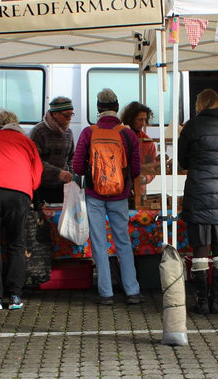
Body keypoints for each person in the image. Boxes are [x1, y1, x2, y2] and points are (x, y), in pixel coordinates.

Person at [73, 88, 145, 306]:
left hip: (95, 195)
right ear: (116, 107)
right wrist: (121, 183)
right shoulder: (127, 134)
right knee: (123, 241)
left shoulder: (89, 132)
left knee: (99, 242)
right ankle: (132, 290)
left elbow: (77, 166)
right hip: (120, 195)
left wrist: (94, 177)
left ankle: (106, 293)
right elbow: (136, 169)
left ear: (98, 109)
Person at [177, 89, 218, 315]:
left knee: (200, 246)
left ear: (200, 104)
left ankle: (202, 300)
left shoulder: (192, 126)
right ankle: (216, 299)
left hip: (199, 189)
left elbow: (183, 160)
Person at [0, 110, 42, 311]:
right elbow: (37, 172)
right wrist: (29, 192)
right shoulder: (25, 141)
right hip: (19, 193)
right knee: (16, 244)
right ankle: (14, 295)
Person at [29, 96, 75, 204]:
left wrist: (71, 173)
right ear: (55, 114)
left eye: (71, 114)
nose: (70, 118)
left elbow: (71, 157)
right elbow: (35, 161)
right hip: (42, 186)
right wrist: (58, 173)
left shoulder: (69, 133)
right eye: (66, 115)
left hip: (63, 186)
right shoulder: (39, 132)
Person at [120, 101, 158, 194]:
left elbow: (152, 166)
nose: (143, 123)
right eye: (140, 120)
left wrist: (146, 178)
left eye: (145, 120)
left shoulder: (147, 142)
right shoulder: (119, 136)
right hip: (119, 188)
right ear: (131, 119)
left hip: (139, 191)